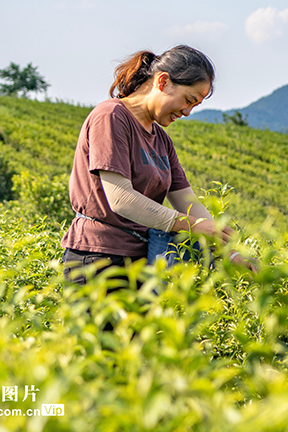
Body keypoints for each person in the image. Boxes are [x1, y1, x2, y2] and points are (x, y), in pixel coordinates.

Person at [62, 45, 255, 284]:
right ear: (162, 82)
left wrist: (231, 251)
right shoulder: (111, 116)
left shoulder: (161, 140)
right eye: (188, 100)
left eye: (194, 106)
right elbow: (120, 199)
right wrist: (191, 226)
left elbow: (187, 201)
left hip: (143, 261)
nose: (187, 112)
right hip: (98, 260)